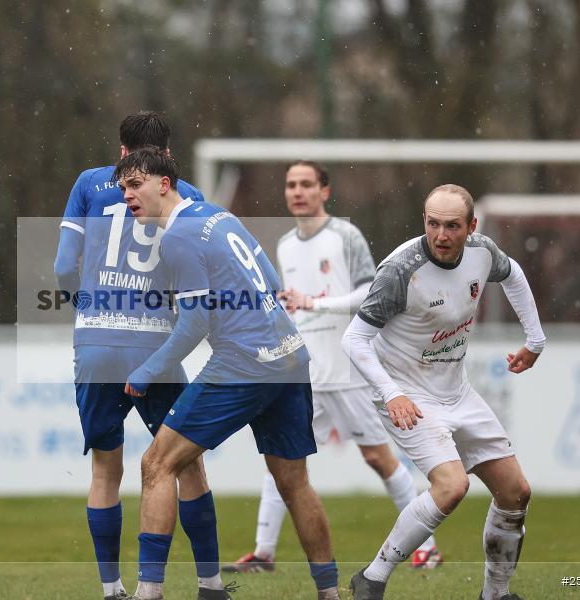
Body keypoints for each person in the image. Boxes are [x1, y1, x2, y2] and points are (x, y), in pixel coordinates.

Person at [117, 147, 341, 600]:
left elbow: (194, 323)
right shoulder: (219, 216)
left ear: (164, 184)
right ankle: (330, 592)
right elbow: (271, 279)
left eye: (135, 185)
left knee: (157, 464)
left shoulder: (177, 237)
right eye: (123, 188)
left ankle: (148, 591)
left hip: (245, 362)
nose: (128, 196)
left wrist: (148, 370)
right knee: (294, 483)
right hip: (290, 355)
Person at [223, 161, 441, 574]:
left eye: (306, 184)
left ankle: (427, 548)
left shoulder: (345, 236)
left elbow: (368, 293)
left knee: (378, 457)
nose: (297, 191)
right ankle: (263, 553)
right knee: (282, 456)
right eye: (291, 185)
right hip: (305, 372)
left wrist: (315, 303)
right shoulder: (285, 244)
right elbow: (295, 305)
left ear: (324, 191)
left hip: (349, 371)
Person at [342, 184, 546, 600]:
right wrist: (392, 394)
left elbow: (513, 274)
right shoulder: (400, 270)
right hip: (407, 394)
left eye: (452, 226)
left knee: (516, 492)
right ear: (424, 221)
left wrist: (535, 340)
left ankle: (495, 594)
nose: (440, 235)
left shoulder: (482, 252)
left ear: (471, 226)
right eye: (433, 224)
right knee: (452, 486)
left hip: (457, 391)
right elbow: (354, 339)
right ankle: (372, 578)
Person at [53, 112, 222, 600]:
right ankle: (210, 583)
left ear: (122, 151)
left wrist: (86, 307)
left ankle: (112, 589)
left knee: (106, 470)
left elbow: (63, 265)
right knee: (185, 465)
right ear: (167, 154)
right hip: (156, 343)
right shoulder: (186, 193)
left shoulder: (89, 183)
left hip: (96, 342)